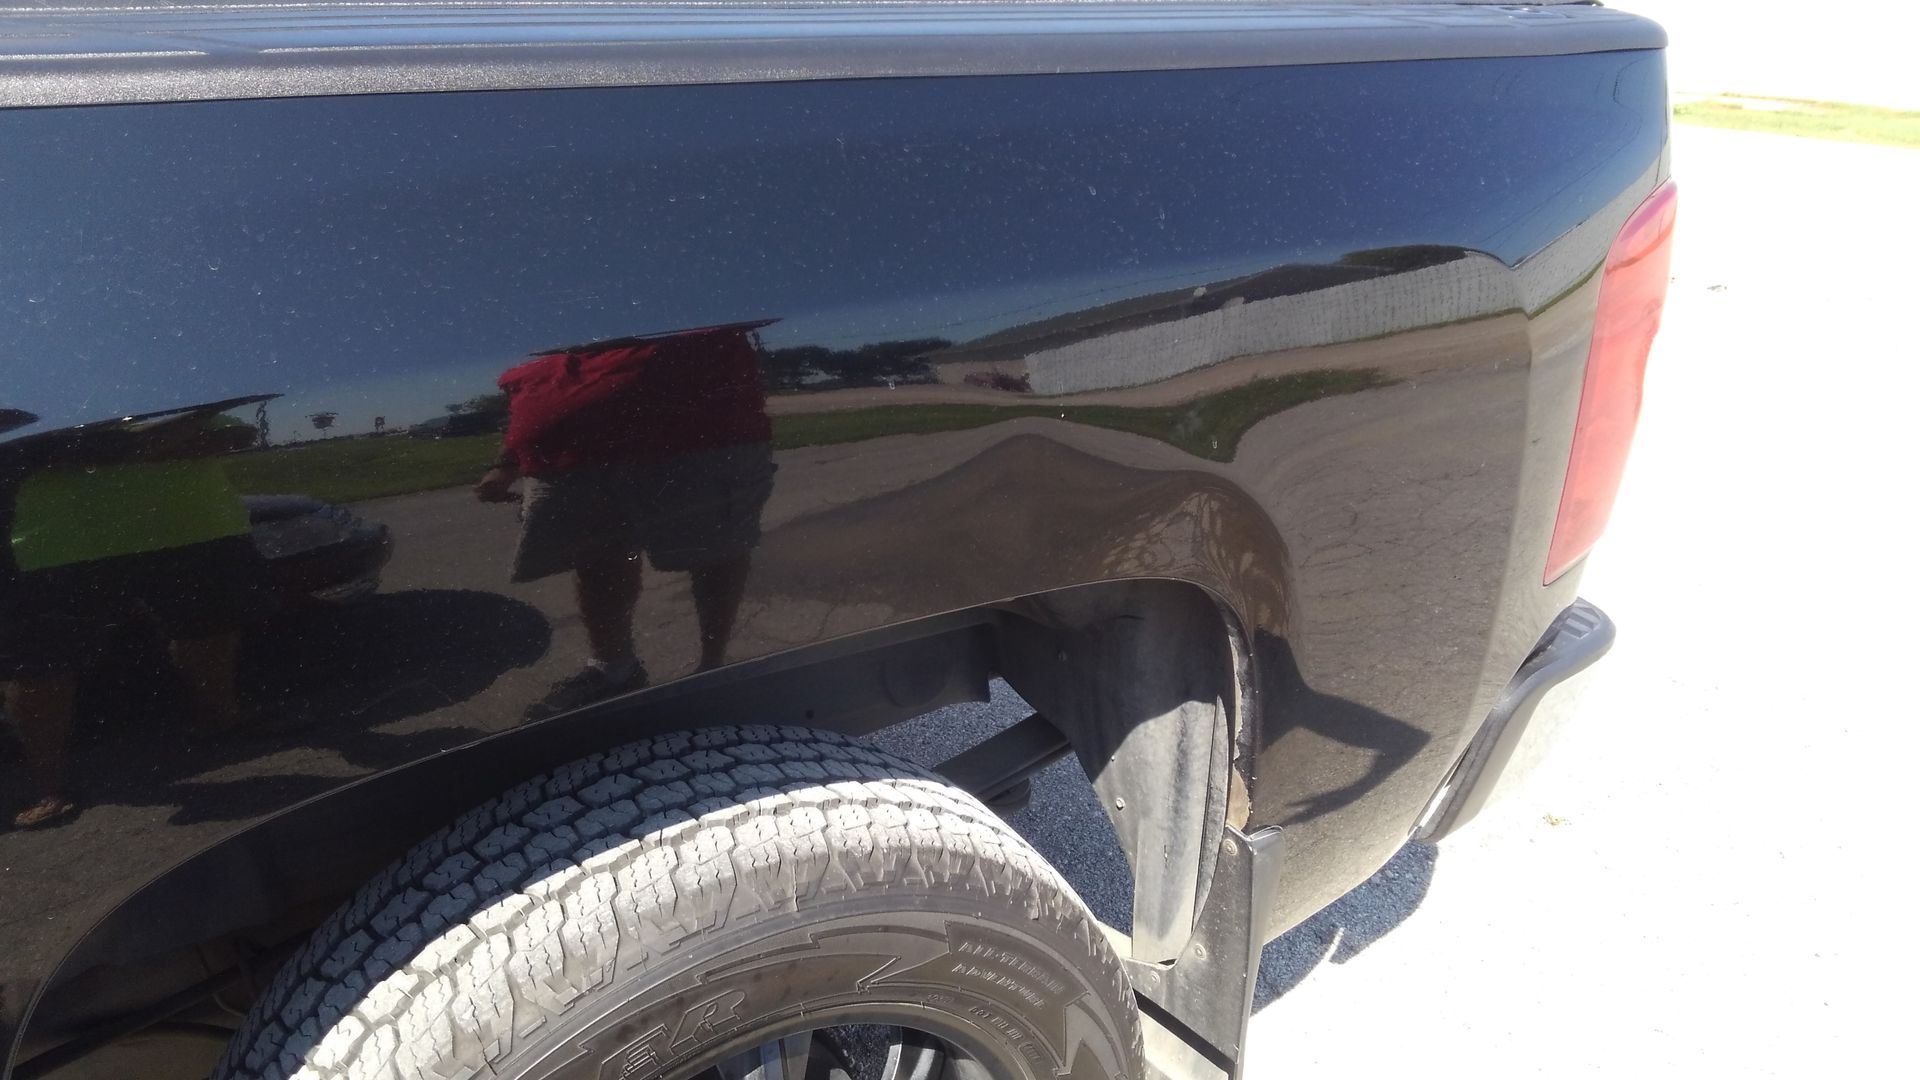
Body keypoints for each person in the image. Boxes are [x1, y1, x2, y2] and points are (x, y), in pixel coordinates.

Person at [476, 321, 776, 721]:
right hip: (567, 459)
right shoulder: (553, 320)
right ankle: (612, 669)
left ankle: (715, 668)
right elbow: (529, 397)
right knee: (597, 560)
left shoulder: (645, 303)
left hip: (695, 437)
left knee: (713, 553)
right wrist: (507, 462)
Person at [0, 409, 265, 828]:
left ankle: (220, 719)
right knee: (40, 666)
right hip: (62, 545)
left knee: (209, 630)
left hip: (195, 527)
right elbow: (19, 455)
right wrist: (146, 446)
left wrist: (103, 451)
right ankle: (49, 786)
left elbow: (235, 435)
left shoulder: (161, 397)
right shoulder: (43, 405)